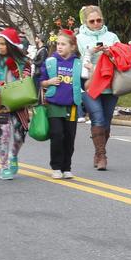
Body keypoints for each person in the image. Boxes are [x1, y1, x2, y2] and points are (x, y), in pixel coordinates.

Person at [76, 5, 121, 170]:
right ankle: (102, 156)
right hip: (90, 82)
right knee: (98, 117)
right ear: (86, 22)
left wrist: (110, 52)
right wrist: (92, 51)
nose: (96, 23)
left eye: (99, 20)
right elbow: (79, 59)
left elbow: (122, 56)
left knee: (107, 121)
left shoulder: (112, 36)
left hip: (110, 82)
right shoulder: (79, 38)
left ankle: (98, 150)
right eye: (92, 21)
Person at [0, 27, 33, 180]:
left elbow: (26, 80)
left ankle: (14, 155)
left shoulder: (24, 62)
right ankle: (4, 166)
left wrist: (16, 70)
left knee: (19, 136)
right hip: (0, 103)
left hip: (19, 103)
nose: (0, 47)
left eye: (3, 44)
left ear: (12, 45)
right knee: (4, 133)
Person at [41, 30, 83, 179]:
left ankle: (67, 167)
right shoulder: (51, 61)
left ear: (72, 47)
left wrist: (91, 72)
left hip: (71, 106)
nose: (59, 47)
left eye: (63, 44)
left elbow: (85, 82)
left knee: (69, 137)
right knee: (57, 134)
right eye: (58, 44)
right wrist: (48, 82)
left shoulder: (78, 63)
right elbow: (40, 80)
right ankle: (56, 167)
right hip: (54, 104)